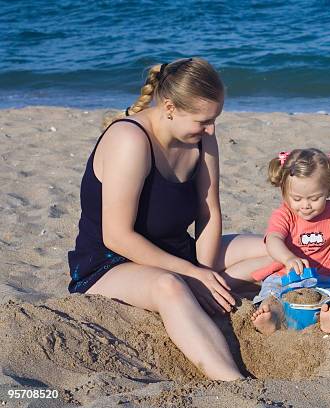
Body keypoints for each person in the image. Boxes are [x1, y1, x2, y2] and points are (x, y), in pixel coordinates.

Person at [67, 57, 275, 381]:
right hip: (111, 264)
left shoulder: (202, 139)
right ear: (169, 108)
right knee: (170, 286)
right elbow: (117, 236)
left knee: (275, 248)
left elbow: (209, 212)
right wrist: (190, 273)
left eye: (215, 119)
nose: (211, 129)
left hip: (179, 254)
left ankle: (212, 292)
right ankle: (235, 384)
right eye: (204, 120)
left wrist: (204, 273)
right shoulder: (130, 140)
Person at [250, 145, 330, 335]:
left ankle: (327, 318)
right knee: (272, 294)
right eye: (297, 198)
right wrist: (288, 258)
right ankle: (271, 317)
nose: (306, 205)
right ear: (284, 192)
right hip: (286, 274)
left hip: (325, 274)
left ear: (329, 191)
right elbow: (273, 239)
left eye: (315, 198)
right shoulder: (284, 215)